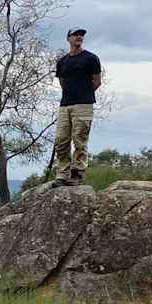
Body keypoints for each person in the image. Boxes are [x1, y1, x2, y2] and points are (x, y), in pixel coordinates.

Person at [52, 27, 102, 185]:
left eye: (81, 35)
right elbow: (62, 82)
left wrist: (84, 93)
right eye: (76, 35)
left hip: (84, 104)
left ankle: (77, 174)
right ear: (68, 38)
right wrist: (71, 94)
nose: (79, 37)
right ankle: (62, 174)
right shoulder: (62, 62)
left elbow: (97, 81)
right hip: (65, 105)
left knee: (79, 139)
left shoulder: (91, 58)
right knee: (61, 140)